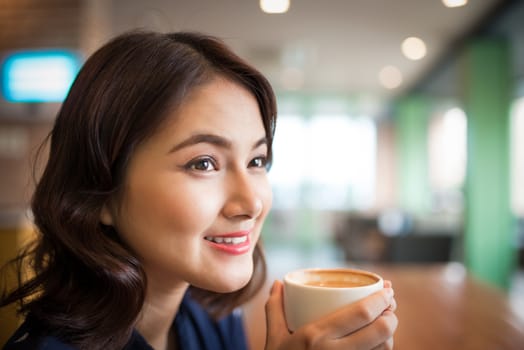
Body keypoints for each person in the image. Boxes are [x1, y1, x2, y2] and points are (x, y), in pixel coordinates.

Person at [0, 30, 397, 350]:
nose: (252, 203)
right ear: (99, 192)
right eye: (203, 163)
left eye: (257, 161)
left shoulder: (213, 319)